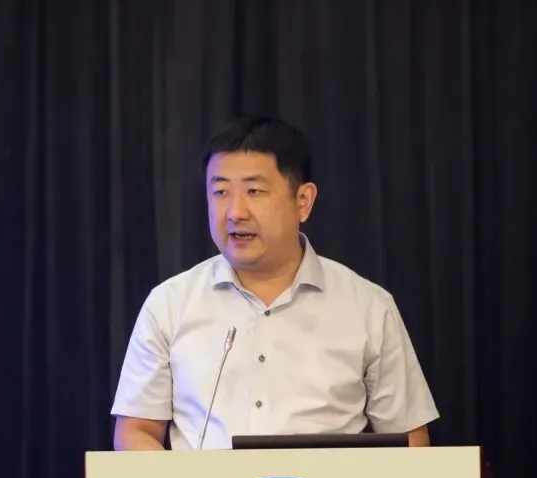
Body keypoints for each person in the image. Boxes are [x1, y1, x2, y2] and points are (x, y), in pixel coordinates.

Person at [110, 115, 439, 451]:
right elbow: (136, 430)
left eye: (254, 191)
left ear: (303, 201)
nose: (235, 212)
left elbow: (410, 438)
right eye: (220, 192)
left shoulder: (368, 306)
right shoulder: (169, 304)